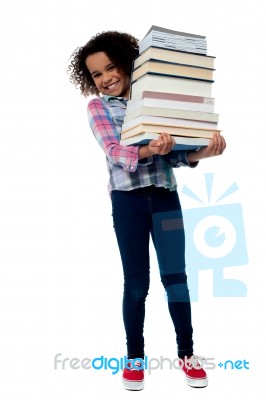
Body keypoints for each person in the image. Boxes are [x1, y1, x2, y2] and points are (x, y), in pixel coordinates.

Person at [68, 30, 226, 390]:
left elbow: (175, 155)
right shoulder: (99, 108)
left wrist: (204, 151)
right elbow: (115, 152)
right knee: (137, 283)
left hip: (165, 198)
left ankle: (187, 353)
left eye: (111, 67)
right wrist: (151, 149)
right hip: (129, 204)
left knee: (176, 278)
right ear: (89, 80)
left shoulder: (153, 99)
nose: (107, 78)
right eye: (97, 74)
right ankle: (134, 358)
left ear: (126, 63)